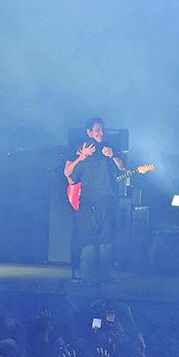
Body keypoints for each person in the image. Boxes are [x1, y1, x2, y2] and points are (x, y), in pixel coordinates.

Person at [63, 117, 126, 283]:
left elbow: (122, 166)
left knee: (106, 238)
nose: (101, 133)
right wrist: (81, 157)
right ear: (89, 132)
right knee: (85, 238)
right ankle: (83, 273)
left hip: (107, 199)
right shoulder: (80, 148)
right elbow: (68, 175)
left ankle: (104, 275)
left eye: (103, 130)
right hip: (87, 201)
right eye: (97, 130)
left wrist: (113, 156)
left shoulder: (108, 147)